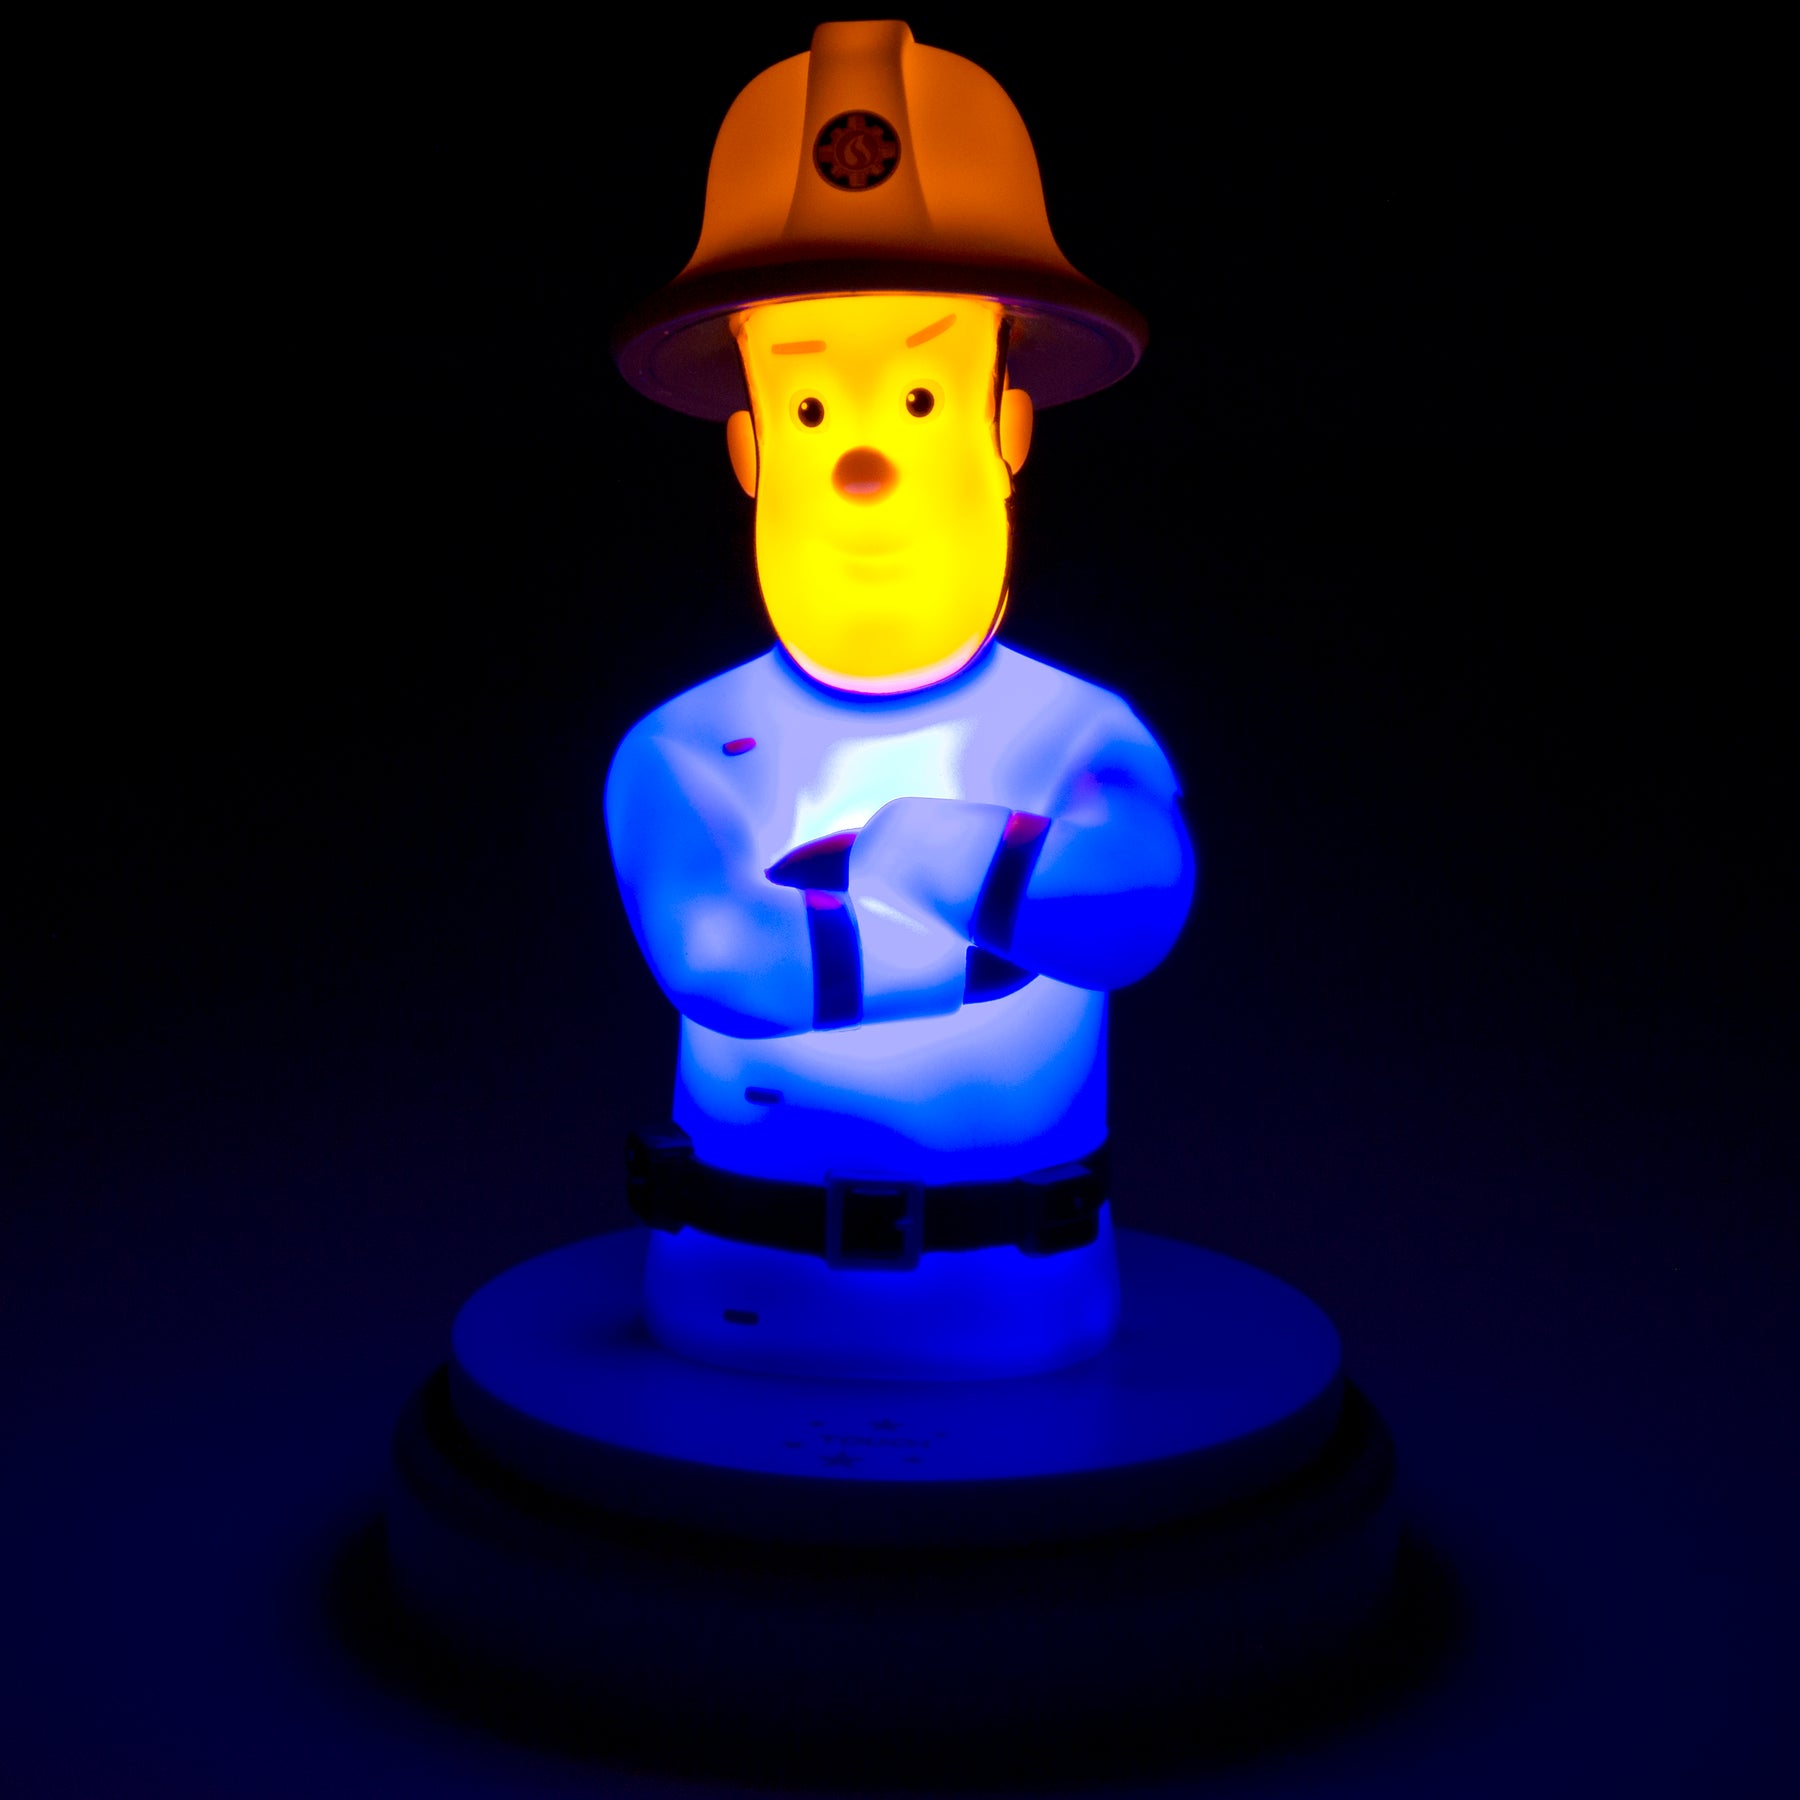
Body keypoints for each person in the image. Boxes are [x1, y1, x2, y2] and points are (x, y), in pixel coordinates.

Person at [606, 23, 1194, 1379]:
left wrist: (899, 851)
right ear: (750, 445)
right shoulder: (678, 750)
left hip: (1028, 1314)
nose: (863, 462)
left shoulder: (1077, 729)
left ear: (1008, 426)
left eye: (919, 394)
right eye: (815, 410)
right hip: (731, 1308)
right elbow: (723, 958)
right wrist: (1002, 918)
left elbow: (1134, 902)